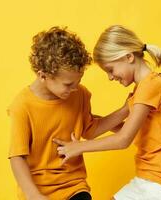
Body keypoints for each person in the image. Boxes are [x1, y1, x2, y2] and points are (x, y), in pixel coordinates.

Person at [53, 25, 161, 200]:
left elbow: (124, 139)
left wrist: (78, 147)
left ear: (128, 57)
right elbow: (133, 130)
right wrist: (90, 121)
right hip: (149, 181)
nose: (110, 77)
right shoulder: (143, 89)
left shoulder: (150, 86)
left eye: (110, 69)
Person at [8, 26, 128, 200]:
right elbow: (17, 157)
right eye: (68, 84)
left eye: (78, 82)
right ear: (43, 76)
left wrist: (126, 109)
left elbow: (91, 129)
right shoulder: (22, 105)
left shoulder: (80, 94)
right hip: (38, 190)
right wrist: (33, 194)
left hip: (74, 186)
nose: (74, 88)